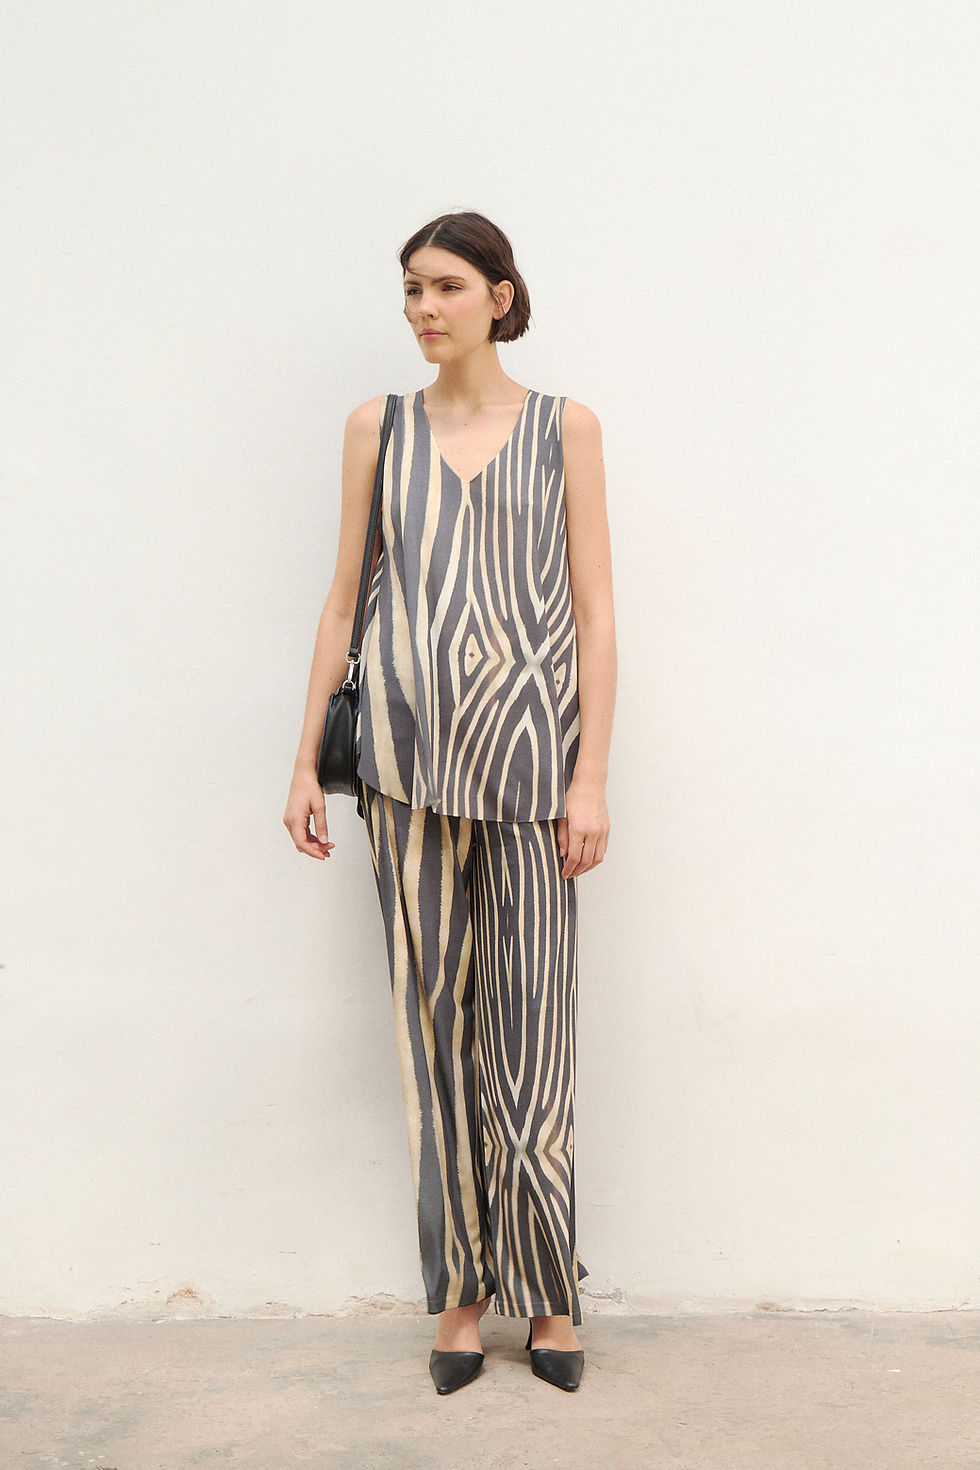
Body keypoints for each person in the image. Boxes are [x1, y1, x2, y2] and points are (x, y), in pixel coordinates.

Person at [283, 211, 616, 1395]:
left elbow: (594, 612)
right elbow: (342, 600)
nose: (423, 309)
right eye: (410, 291)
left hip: (531, 779)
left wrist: (588, 776)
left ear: (498, 296)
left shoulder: (564, 428)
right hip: (402, 774)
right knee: (430, 1043)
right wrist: (304, 760)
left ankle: (552, 1296)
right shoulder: (374, 428)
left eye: (445, 287)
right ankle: (462, 1300)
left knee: (533, 1044)